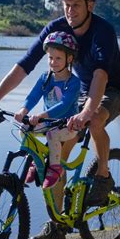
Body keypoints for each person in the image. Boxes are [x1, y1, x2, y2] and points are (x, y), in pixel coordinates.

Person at [0, 0, 120, 239]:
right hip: (81, 92)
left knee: (95, 119)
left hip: (113, 89)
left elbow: (100, 76)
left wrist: (86, 113)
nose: (70, 11)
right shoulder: (56, 29)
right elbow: (25, 65)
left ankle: (104, 175)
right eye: (66, 5)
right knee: (54, 159)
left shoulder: (102, 31)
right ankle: (59, 222)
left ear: (90, 6)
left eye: (76, 6)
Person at [14, 31, 80, 189]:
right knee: (24, 128)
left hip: (68, 126)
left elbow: (64, 105)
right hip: (49, 123)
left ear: (69, 59)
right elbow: (34, 95)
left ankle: (55, 169)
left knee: (52, 135)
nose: (53, 62)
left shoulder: (73, 82)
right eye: (50, 58)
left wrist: (41, 115)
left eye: (58, 58)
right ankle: (37, 162)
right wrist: (24, 110)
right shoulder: (46, 78)